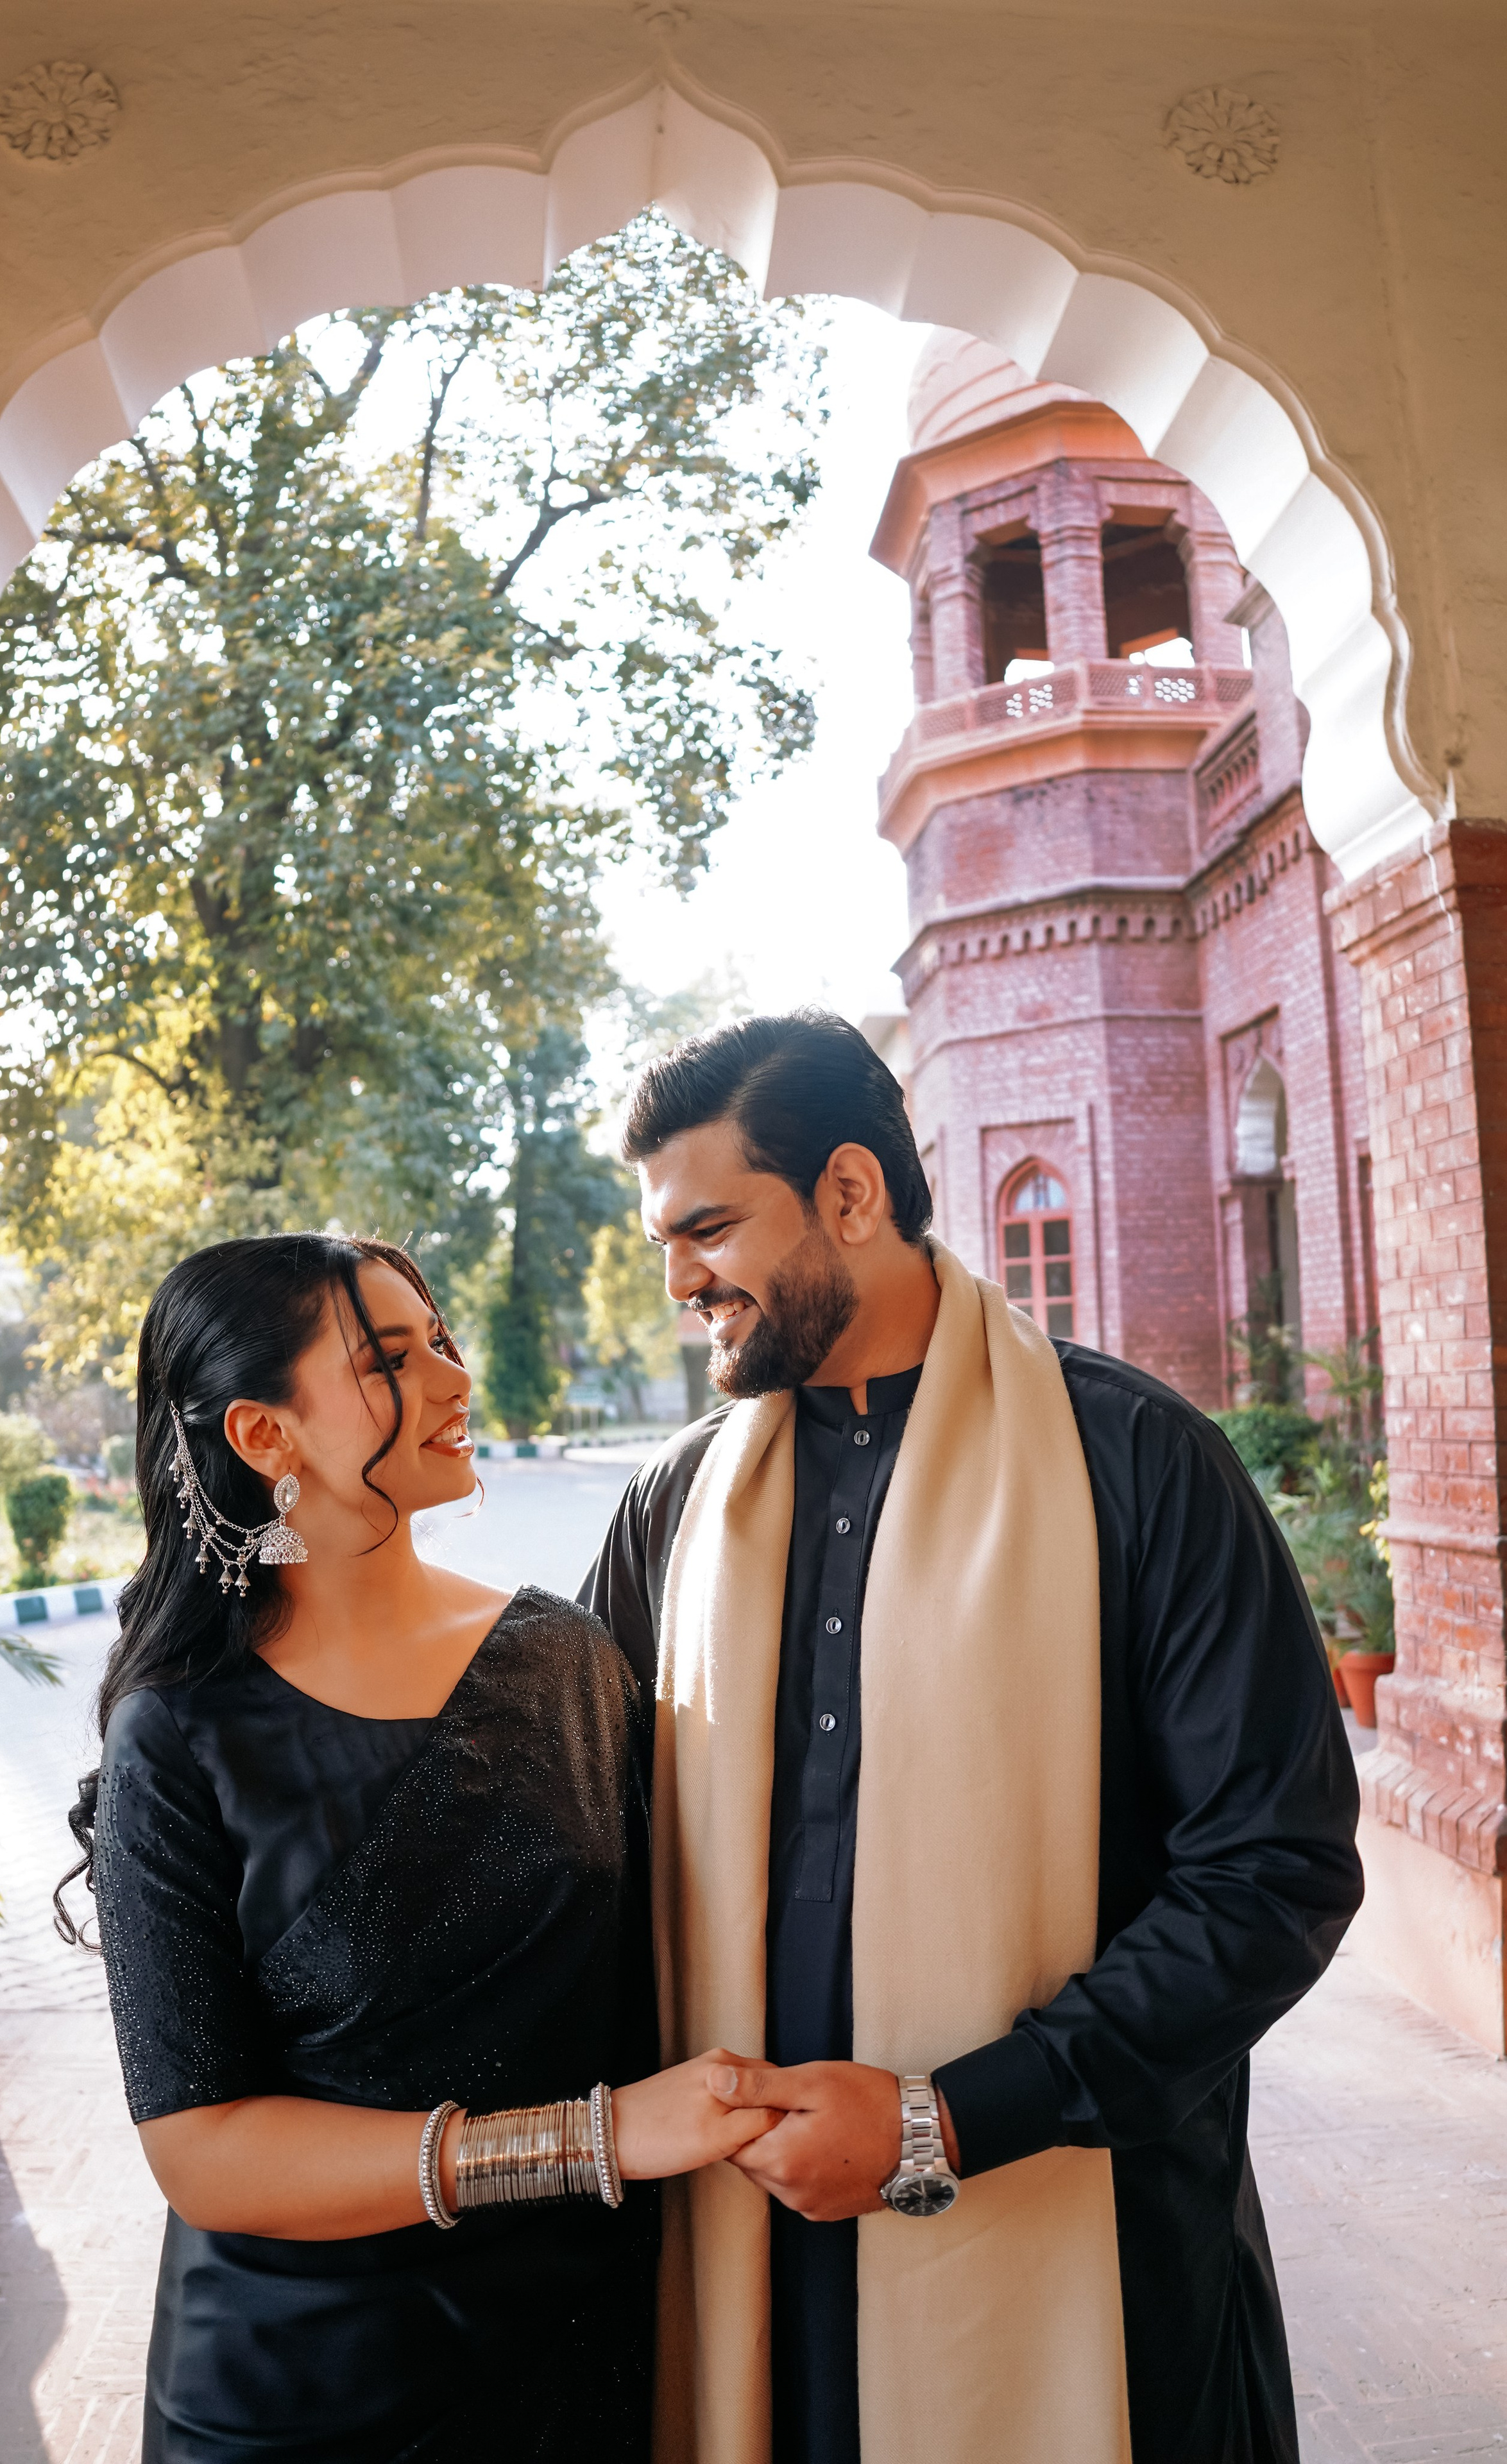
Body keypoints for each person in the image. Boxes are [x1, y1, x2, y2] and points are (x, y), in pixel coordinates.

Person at [579, 1010, 1365, 2464]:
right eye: (664, 1248)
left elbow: (1271, 1875)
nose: (682, 1282)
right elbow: (573, 1825)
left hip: (1089, 2246)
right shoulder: (673, 1512)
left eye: (707, 1230)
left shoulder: (1133, 1466)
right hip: (749, 2253)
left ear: (851, 1194)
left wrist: (946, 2122)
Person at [55, 1231, 773, 2464]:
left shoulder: (565, 1659)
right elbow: (205, 2153)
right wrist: (599, 2139)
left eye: (439, 1339)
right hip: (303, 2390)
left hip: (570, 2352)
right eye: (392, 1358)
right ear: (262, 1436)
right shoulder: (177, 1735)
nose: (453, 1378)